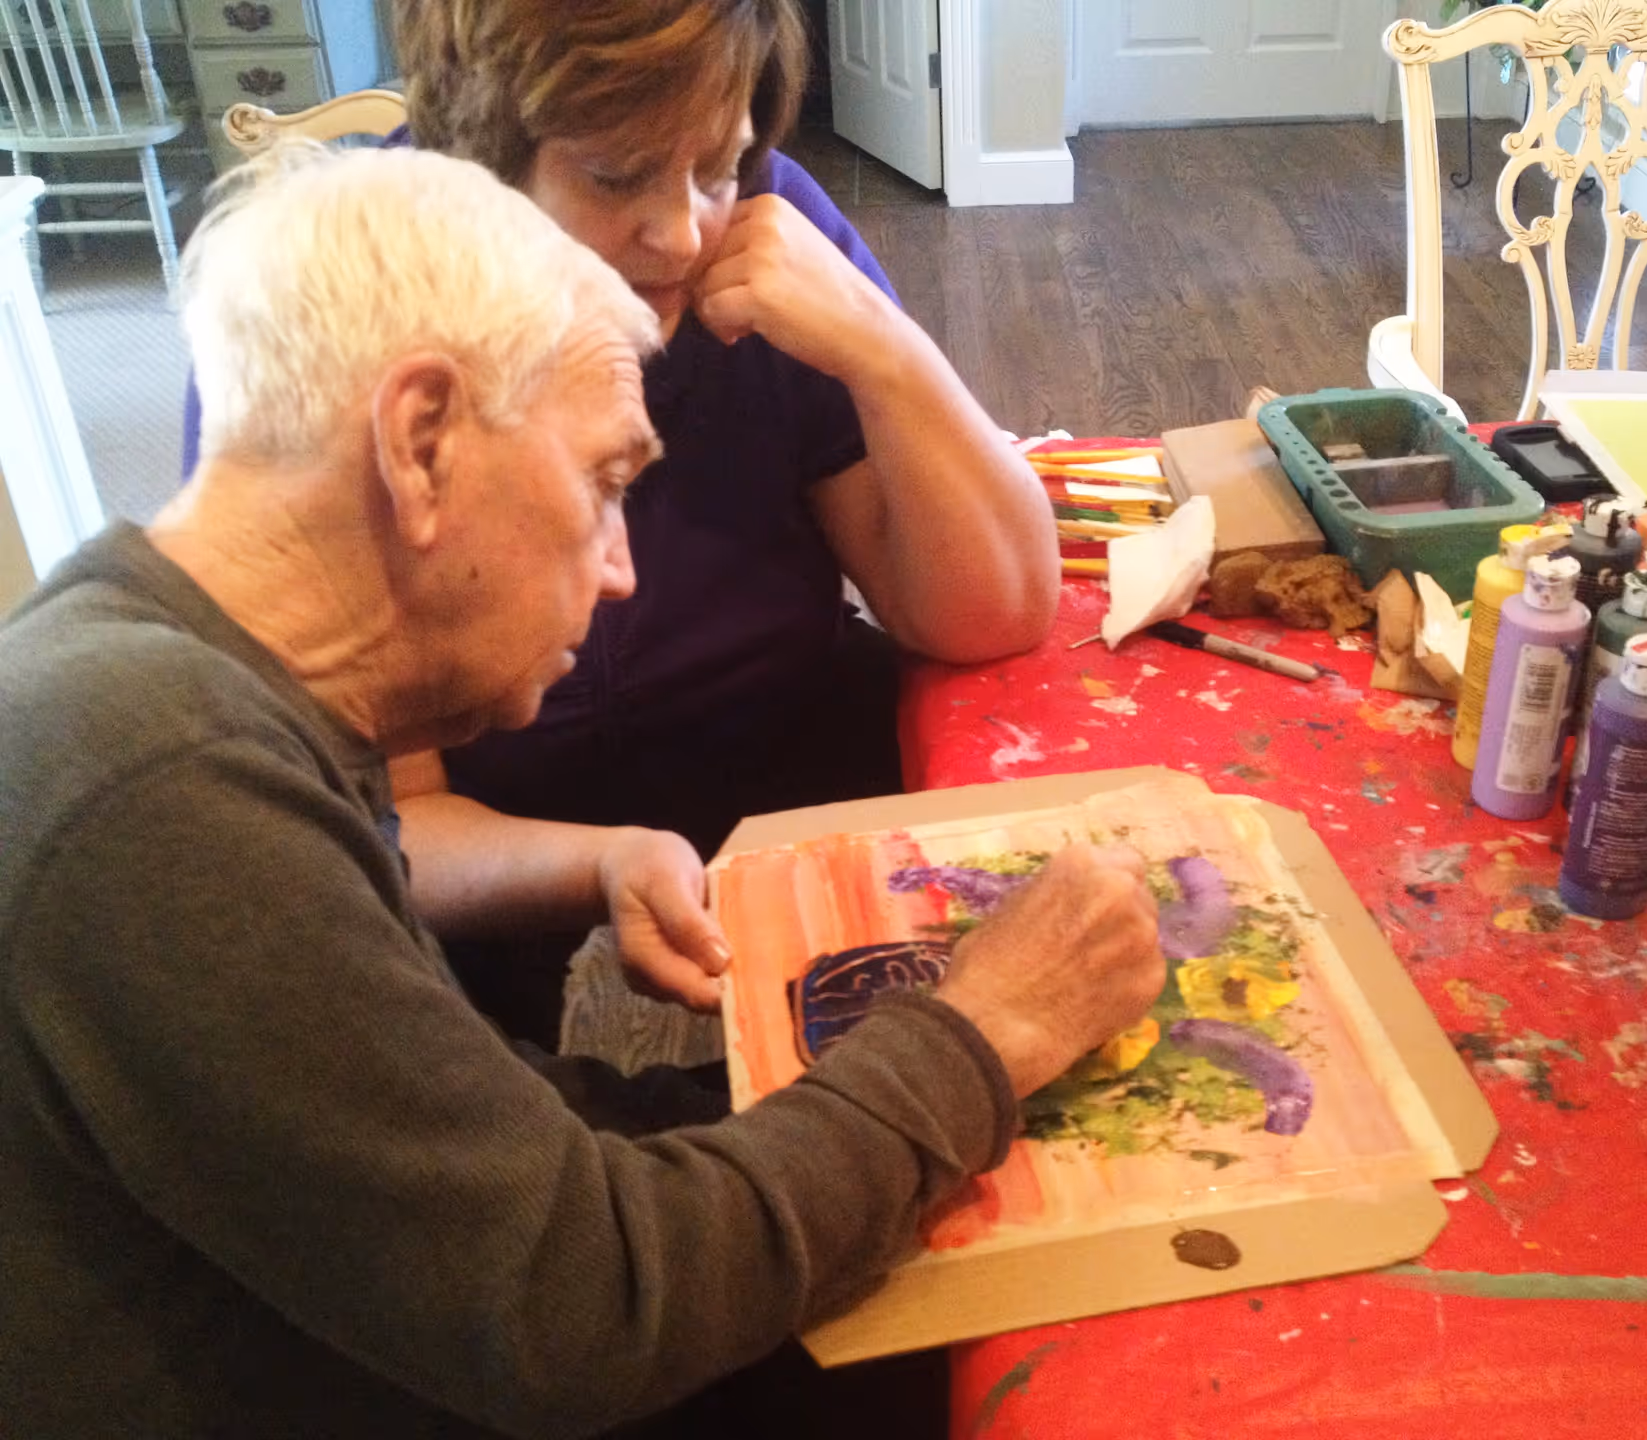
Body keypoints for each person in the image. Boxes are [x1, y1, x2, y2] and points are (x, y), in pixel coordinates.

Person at [0, 147, 1163, 1437]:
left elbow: (498, 1144)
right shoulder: (162, 795)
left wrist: (777, 1108)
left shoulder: (153, 668)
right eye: (608, 482)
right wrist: (990, 1029)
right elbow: (588, 1312)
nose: (620, 571)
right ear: (420, 442)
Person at [176, 0, 1062, 1048]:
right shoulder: (334, 313)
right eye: (615, 176)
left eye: (717, 167)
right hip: (486, 822)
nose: (684, 233)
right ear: (480, 161)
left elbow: (992, 612)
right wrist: (601, 862)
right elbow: (383, 823)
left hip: (781, 740)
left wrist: (885, 346)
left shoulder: (772, 224)